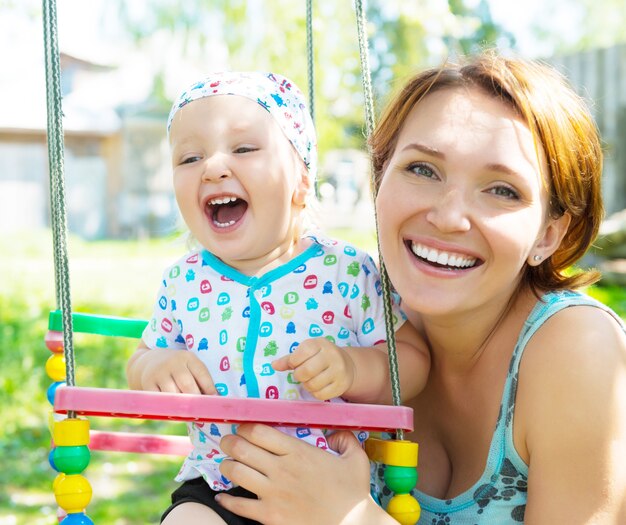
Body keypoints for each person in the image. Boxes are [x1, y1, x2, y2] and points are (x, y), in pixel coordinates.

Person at [213, 53, 626, 524]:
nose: (448, 218)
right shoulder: (338, 317)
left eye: (502, 190)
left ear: (547, 235)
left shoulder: (577, 350)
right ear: (380, 180)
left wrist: (349, 518)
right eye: (423, 170)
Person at [126, 71, 430, 525]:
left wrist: (352, 367)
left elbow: (412, 360)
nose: (213, 167)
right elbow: (142, 358)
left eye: (244, 149)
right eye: (190, 157)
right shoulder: (183, 282)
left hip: (326, 486)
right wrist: (154, 366)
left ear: (302, 182)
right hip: (218, 483)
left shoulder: (345, 272)